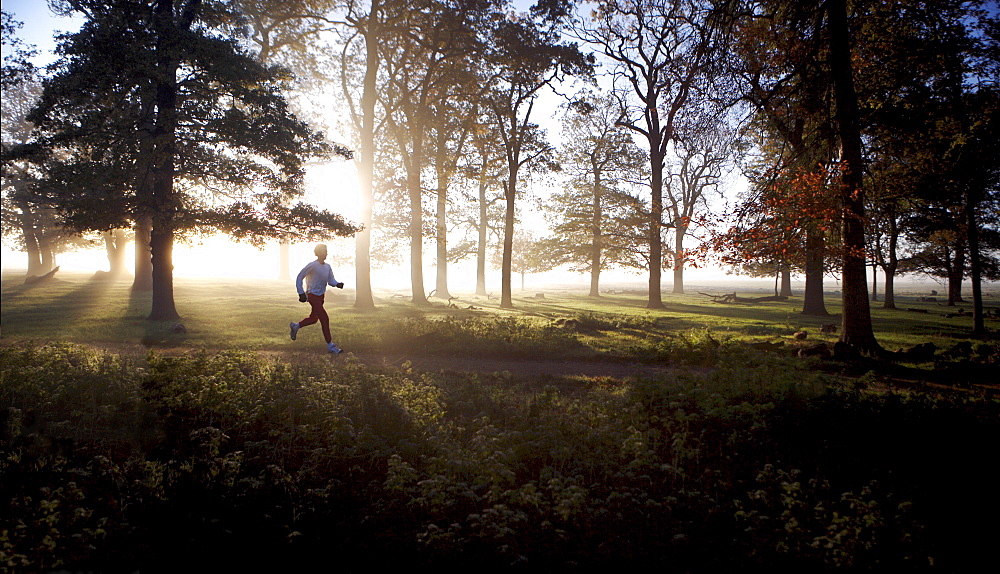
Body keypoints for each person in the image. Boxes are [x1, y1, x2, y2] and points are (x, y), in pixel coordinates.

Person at [289, 244, 345, 354]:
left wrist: (337, 284)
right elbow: (300, 276)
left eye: (326, 251)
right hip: (312, 295)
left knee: (314, 319)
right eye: (323, 251)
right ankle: (331, 346)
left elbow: (331, 280)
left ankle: (296, 326)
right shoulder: (312, 265)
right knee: (324, 318)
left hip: (321, 296)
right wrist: (301, 292)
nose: (326, 253)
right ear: (318, 253)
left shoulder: (327, 267)